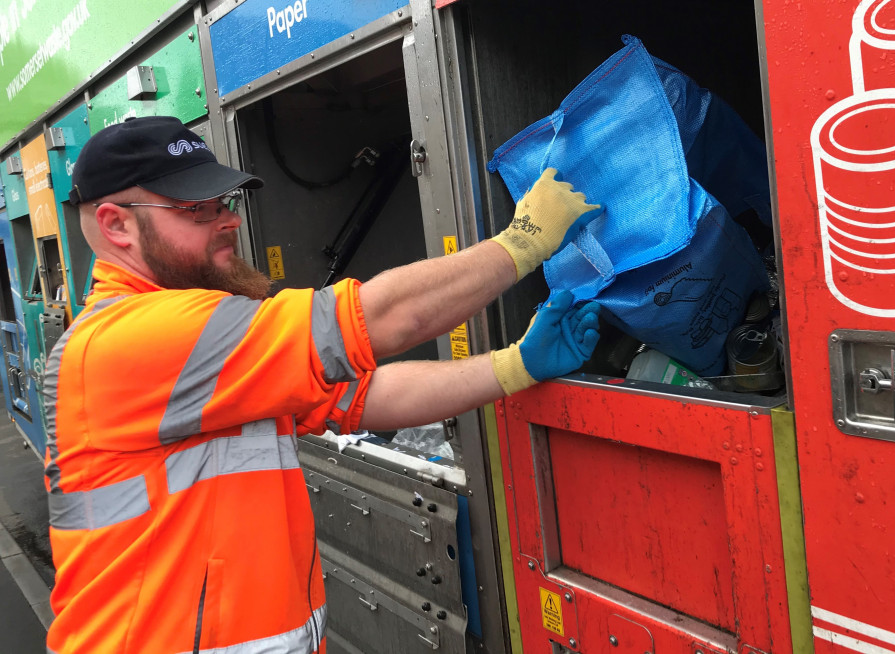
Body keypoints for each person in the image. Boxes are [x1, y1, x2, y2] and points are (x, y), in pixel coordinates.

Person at [43, 115, 601, 654]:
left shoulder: (191, 355)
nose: (228, 220)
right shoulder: (129, 340)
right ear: (116, 225)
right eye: (197, 209)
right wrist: (524, 242)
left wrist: (514, 366)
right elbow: (382, 320)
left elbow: (362, 397)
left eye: (225, 203)